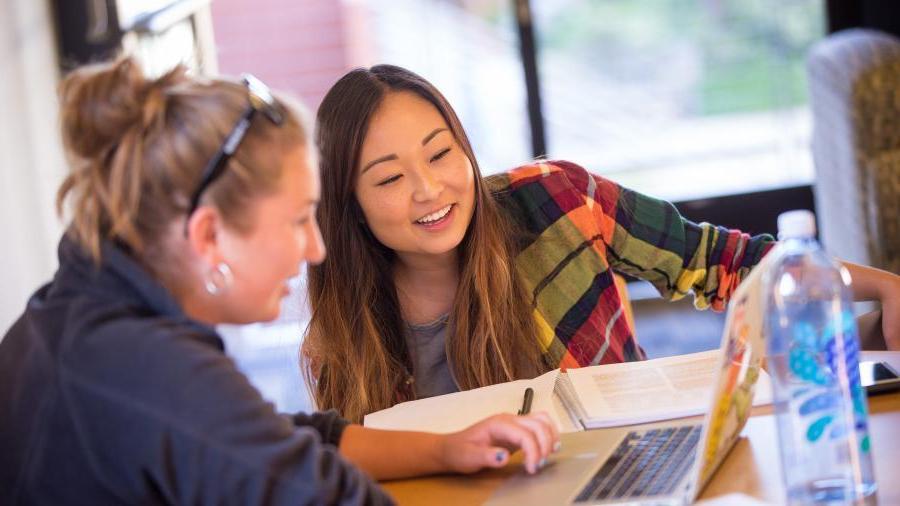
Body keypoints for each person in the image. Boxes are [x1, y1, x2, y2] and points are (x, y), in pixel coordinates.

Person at [0, 57, 560, 505]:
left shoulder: (77, 310)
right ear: (209, 235)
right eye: (296, 221)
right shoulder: (149, 373)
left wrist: (444, 451)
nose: (314, 249)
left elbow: (280, 441)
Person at [304, 64, 900, 424]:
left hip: (634, 474)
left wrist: (885, 289)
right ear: (345, 203)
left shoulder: (555, 200)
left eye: (440, 153)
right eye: (389, 178)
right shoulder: (341, 339)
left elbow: (719, 261)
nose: (429, 189)